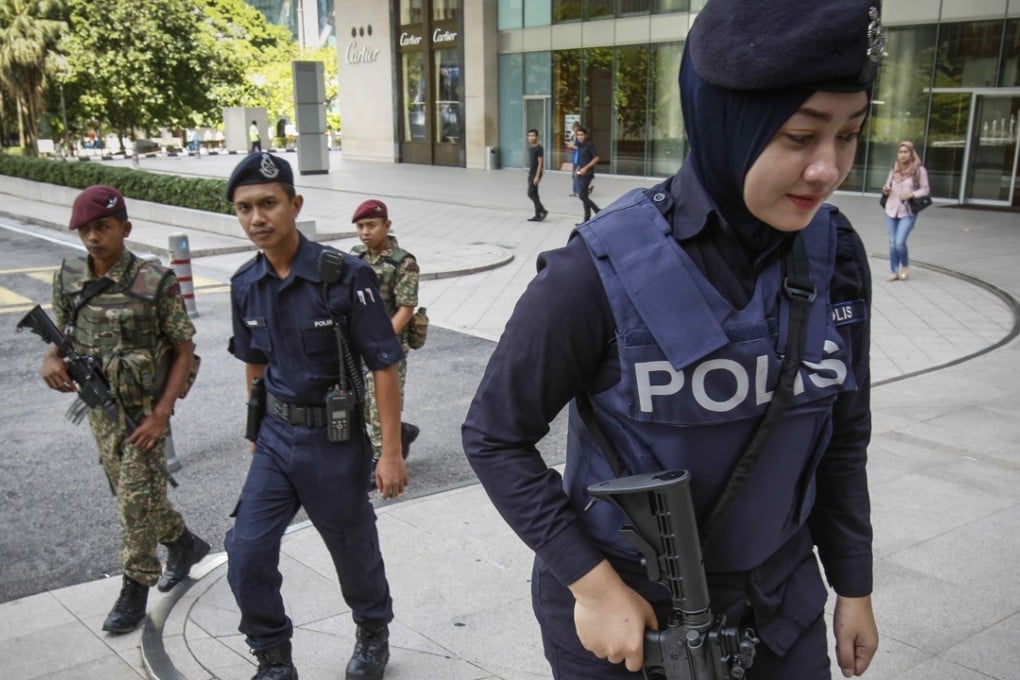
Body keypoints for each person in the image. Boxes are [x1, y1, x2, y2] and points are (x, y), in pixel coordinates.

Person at [462, 1, 883, 678]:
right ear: (728, 123)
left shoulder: (835, 254)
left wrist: (853, 585)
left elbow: (843, 432)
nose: (828, 169)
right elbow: (493, 434)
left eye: (850, 134)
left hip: (783, 607)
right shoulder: (595, 270)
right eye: (800, 136)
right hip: (636, 621)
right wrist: (592, 587)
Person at [225, 152, 406, 680]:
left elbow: (384, 365)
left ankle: (373, 630)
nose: (257, 218)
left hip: (334, 441)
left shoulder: (345, 276)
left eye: (267, 204)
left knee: (354, 552)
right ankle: (273, 657)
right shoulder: (245, 284)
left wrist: (390, 452)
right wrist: (256, 433)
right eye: (244, 208)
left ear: (294, 204)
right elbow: (254, 364)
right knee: (248, 551)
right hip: (277, 438)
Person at [39, 185, 209, 635]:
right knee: (137, 496)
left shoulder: (156, 282)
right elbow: (63, 333)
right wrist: (52, 357)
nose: (93, 237)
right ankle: (184, 543)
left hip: (146, 413)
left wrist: (161, 416)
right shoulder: (69, 276)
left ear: (125, 229)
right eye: (85, 230)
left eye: (103, 227)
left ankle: (136, 584)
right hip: (99, 410)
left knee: (135, 503)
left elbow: (184, 350)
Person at [349, 198, 422, 490]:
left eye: (371, 225)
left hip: (390, 346)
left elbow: (406, 307)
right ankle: (401, 431)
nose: (365, 232)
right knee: (363, 404)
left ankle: (381, 459)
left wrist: (378, 340)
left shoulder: (404, 262)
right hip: (360, 342)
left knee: (381, 404)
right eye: (360, 226)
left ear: (387, 225)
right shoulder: (355, 256)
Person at [881, 140, 929, 281]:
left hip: (907, 211)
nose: (902, 155)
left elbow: (925, 189)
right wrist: (885, 189)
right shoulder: (894, 168)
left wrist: (912, 194)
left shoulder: (919, 170)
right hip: (891, 209)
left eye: (905, 152)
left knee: (899, 242)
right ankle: (894, 271)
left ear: (911, 153)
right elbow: (887, 184)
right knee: (892, 242)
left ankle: (905, 265)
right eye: (900, 152)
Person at [572, 125, 600, 225]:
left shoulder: (589, 145)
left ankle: (598, 211)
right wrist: (578, 168)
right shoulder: (580, 146)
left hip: (588, 173)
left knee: (582, 196)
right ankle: (586, 219)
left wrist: (585, 168)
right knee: (584, 196)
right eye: (578, 135)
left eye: (581, 135)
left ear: (586, 135)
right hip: (581, 172)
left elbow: (596, 158)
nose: (579, 137)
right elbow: (580, 159)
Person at [526, 129, 549, 222]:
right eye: (529, 135)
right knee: (535, 194)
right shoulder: (531, 147)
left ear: (537, 137)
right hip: (531, 172)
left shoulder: (539, 148)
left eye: (533, 135)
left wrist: (537, 176)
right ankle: (537, 215)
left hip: (536, 173)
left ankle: (543, 211)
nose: (531, 137)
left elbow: (540, 163)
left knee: (530, 193)